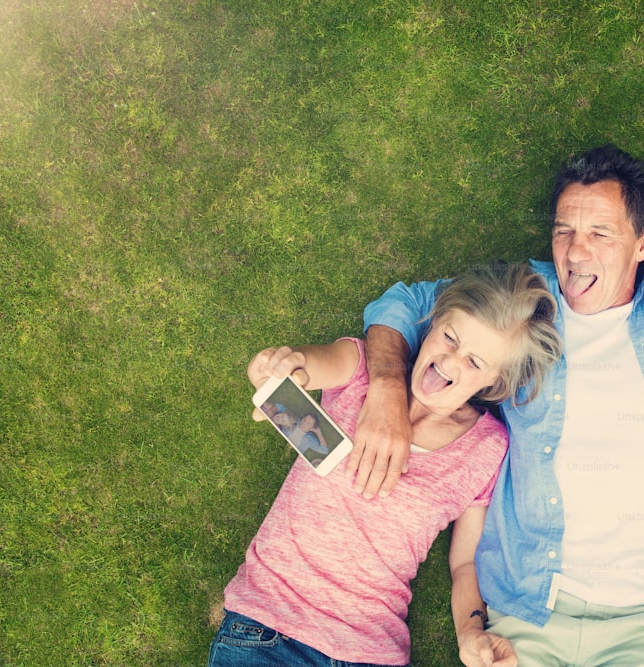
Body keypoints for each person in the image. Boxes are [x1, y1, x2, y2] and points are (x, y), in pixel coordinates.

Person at [355, 144, 644, 665]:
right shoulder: (521, 302)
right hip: (528, 606)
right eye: (565, 231)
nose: (576, 254)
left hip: (641, 616)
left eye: (601, 233)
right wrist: (384, 390)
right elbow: (401, 303)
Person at [209, 262, 561, 667]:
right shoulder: (362, 372)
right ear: (430, 325)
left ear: (493, 383)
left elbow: (464, 562)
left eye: (475, 363)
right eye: (449, 337)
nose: (450, 361)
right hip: (268, 632)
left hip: (372, 653)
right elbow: (304, 366)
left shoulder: (486, 449)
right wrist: (275, 369)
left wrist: (470, 632)